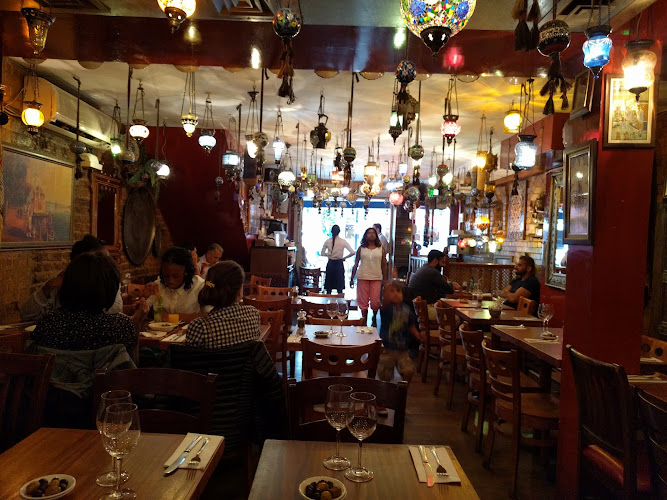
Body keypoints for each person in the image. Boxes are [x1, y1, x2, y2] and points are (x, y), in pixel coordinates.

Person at [30, 252, 143, 353]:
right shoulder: (121, 326)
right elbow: (131, 366)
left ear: (68, 283)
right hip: (104, 372)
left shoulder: (48, 323)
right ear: (110, 289)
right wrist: (137, 322)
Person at [20, 234, 123, 321]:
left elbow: (117, 307)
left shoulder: (107, 280)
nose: (107, 266)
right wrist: (47, 287)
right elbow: (26, 315)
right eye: (100, 262)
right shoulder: (60, 280)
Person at [186, 260, 262, 349]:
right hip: (244, 358)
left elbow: (190, 356)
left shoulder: (199, 327)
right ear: (239, 291)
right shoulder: (253, 314)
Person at [377, 280, 420, 383]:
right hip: (387, 349)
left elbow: (411, 325)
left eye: (398, 291)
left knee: (409, 371)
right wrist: (385, 291)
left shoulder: (407, 309)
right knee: (385, 376)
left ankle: (403, 389)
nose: (395, 293)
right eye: (391, 291)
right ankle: (386, 390)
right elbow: (383, 302)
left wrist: (418, 335)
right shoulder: (386, 308)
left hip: (403, 349)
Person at [145, 246, 205, 319]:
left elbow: (207, 315)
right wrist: (144, 297)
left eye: (176, 276)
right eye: (166, 276)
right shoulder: (158, 285)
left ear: (186, 272)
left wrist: (169, 317)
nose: (170, 280)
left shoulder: (200, 286)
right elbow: (145, 309)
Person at [350, 227, 387, 327]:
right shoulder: (361, 249)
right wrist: (352, 277)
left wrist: (385, 279)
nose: (371, 234)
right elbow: (356, 263)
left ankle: (374, 317)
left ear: (376, 236)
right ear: (365, 235)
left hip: (376, 277)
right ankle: (364, 318)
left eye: (373, 233)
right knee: (363, 300)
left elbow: (384, 264)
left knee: (375, 301)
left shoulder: (381, 249)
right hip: (363, 276)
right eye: (369, 233)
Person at [321, 225, 354, 294]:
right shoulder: (343, 241)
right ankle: (340, 300)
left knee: (329, 287)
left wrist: (329, 254)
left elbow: (322, 253)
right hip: (339, 264)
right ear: (339, 232)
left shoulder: (327, 241)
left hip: (330, 264)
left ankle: (327, 300)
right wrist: (344, 258)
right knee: (339, 287)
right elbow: (352, 252)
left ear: (331, 231)